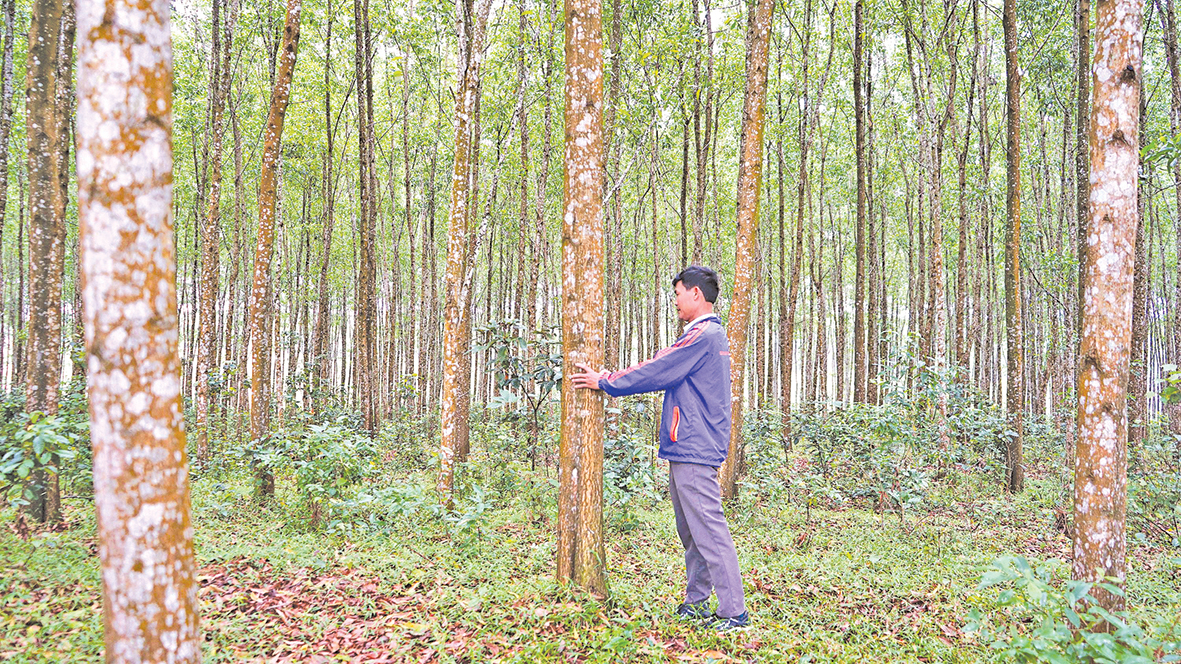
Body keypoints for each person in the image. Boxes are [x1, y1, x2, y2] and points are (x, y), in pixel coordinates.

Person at [572, 265, 748, 631]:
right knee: (693, 532)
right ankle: (696, 601)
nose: (676, 301)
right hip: (687, 445)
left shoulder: (703, 336)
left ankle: (734, 612)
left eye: (679, 294)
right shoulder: (707, 335)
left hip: (695, 447)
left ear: (696, 294)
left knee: (710, 531)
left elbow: (659, 368)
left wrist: (605, 381)